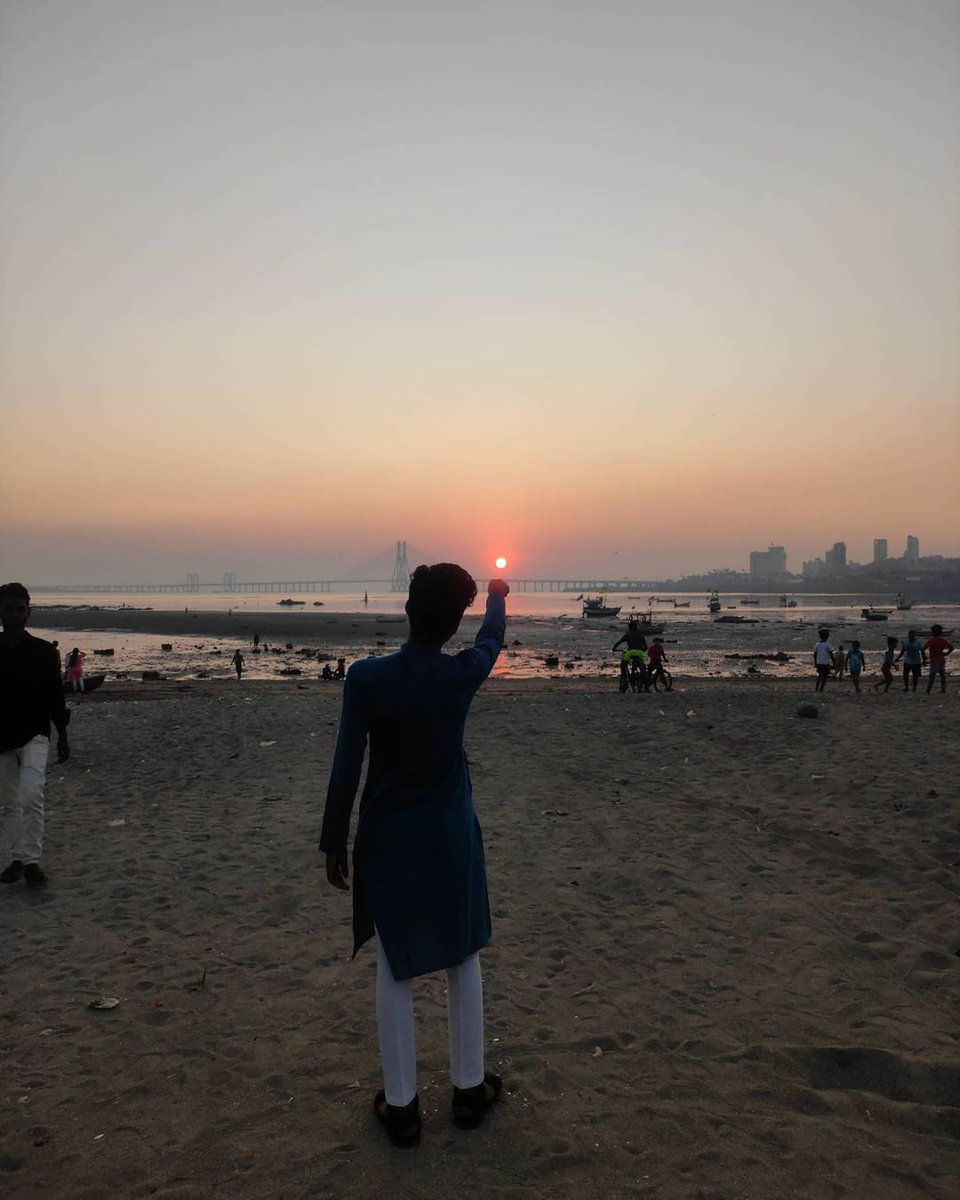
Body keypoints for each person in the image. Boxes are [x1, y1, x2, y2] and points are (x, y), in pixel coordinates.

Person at [319, 565, 508, 1146]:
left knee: (394, 963)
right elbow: (490, 642)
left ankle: (401, 1107)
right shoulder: (460, 675)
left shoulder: (367, 679)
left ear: (407, 609)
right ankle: (468, 1091)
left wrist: (333, 838)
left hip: (389, 835)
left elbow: (347, 764)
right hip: (449, 833)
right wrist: (498, 598)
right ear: (453, 622)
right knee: (463, 956)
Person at [1, 583, 70, 887]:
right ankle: (17, 860)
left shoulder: (44, 651)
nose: (15, 615)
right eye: (8, 609)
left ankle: (32, 861)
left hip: (36, 734)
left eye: (20, 609)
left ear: (28, 610)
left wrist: (63, 735)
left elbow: (56, 696)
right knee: (9, 803)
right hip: (1, 737)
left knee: (32, 794)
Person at [612, 620, 649, 693]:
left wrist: (614, 648)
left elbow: (619, 642)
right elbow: (646, 647)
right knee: (643, 666)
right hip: (640, 653)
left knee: (623, 665)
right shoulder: (641, 635)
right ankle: (645, 685)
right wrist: (642, 650)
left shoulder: (628, 635)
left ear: (629, 628)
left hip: (630, 652)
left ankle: (624, 678)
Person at [923, 624, 954, 694]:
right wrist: (945, 654)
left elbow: (923, 649)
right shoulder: (942, 640)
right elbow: (951, 648)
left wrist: (924, 657)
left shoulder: (931, 641)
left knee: (932, 676)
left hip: (934, 660)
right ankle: (943, 690)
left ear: (932, 632)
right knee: (942, 675)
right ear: (940, 632)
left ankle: (928, 690)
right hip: (941, 659)